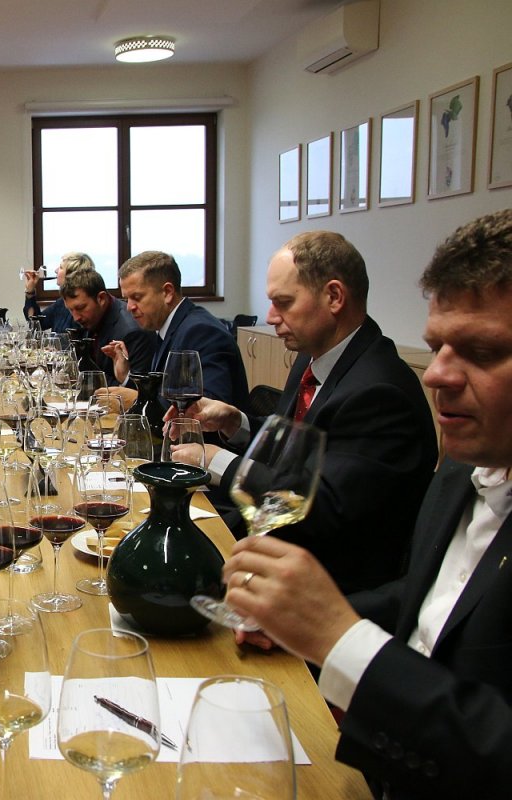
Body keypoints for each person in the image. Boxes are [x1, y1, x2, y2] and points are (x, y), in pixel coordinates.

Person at [222, 210, 512, 799]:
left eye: (480, 352)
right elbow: (426, 600)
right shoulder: (466, 467)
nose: (436, 375)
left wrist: (341, 638)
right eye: (435, 347)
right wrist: (302, 622)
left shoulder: (386, 392)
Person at [171, 231, 437, 595]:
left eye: (283, 303)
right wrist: (237, 422)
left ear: (334, 297)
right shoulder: (315, 357)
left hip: (326, 586)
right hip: (277, 549)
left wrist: (216, 461)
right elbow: (298, 450)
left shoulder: (379, 392)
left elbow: (317, 507)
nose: (271, 317)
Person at [113, 250, 249, 409]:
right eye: (126, 299)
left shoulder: (201, 332)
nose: (129, 307)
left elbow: (208, 408)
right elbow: (159, 393)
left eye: (137, 297)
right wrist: (126, 377)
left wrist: (137, 399)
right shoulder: (166, 327)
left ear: (167, 292)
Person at [61, 266, 156, 381]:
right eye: (70, 310)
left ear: (101, 298)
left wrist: (88, 377)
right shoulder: (91, 318)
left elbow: (136, 389)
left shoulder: (132, 332)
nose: (76, 318)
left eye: (80, 308)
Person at [22, 252, 88, 333]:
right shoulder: (61, 303)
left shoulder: (84, 306)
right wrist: (30, 291)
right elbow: (37, 323)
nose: (56, 271)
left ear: (71, 274)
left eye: (61, 267)